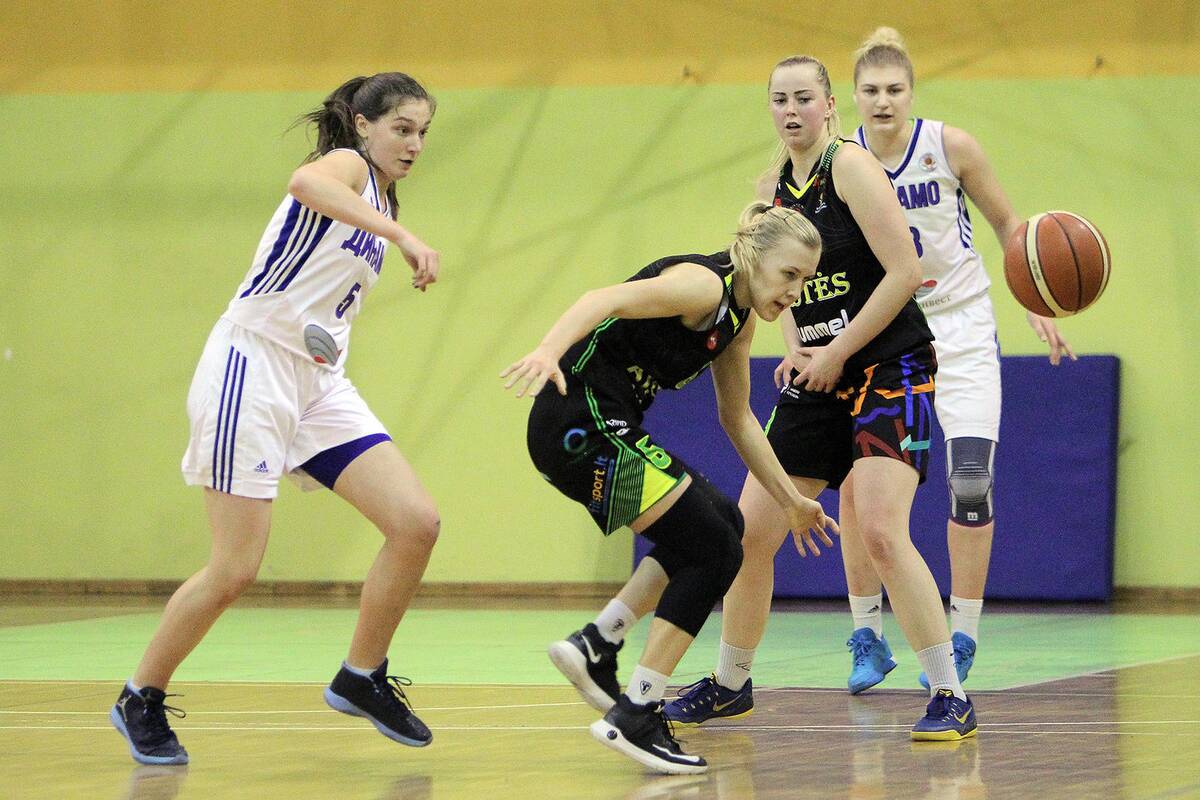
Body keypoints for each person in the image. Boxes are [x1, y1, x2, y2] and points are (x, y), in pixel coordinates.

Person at [110, 73, 443, 765]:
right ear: (363, 125)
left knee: (416, 522)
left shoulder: (381, 194)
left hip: (317, 382)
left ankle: (360, 675)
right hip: (252, 366)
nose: (414, 143)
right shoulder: (348, 167)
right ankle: (140, 694)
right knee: (235, 567)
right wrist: (402, 235)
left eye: (422, 132)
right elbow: (304, 182)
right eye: (402, 128)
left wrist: (389, 226)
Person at [662, 54, 976, 741]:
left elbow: (905, 271)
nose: (792, 110)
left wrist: (837, 350)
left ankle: (950, 694)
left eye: (804, 98)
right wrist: (800, 345)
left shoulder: (851, 168)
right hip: (821, 375)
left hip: (890, 364)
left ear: (830, 105)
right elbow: (780, 286)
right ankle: (731, 683)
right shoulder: (772, 189)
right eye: (780, 99)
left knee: (882, 531)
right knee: (748, 534)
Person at [501, 203, 838, 774]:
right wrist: (547, 350)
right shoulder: (702, 286)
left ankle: (598, 643)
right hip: (578, 425)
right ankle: (638, 710)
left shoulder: (738, 320)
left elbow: (738, 418)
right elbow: (601, 299)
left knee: (725, 523)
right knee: (716, 549)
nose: (796, 292)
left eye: (806, 280)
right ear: (755, 257)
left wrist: (791, 501)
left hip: (603, 426)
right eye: (789, 274)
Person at [843, 27, 1075, 693]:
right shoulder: (843, 161)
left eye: (894, 89)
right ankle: (867, 636)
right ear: (853, 96)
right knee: (858, 486)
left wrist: (1036, 299)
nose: (883, 100)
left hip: (962, 321)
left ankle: (964, 634)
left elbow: (1010, 228)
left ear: (912, 93)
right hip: (886, 329)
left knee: (971, 479)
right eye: (871, 90)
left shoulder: (951, 147)